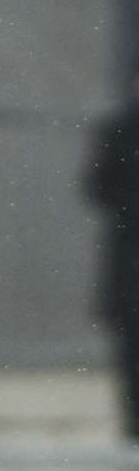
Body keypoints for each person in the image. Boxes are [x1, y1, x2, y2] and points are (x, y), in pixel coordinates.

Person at [85, 78, 139, 444]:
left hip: (129, 257)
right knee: (132, 353)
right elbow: (98, 187)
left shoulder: (120, 129)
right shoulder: (121, 130)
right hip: (130, 259)